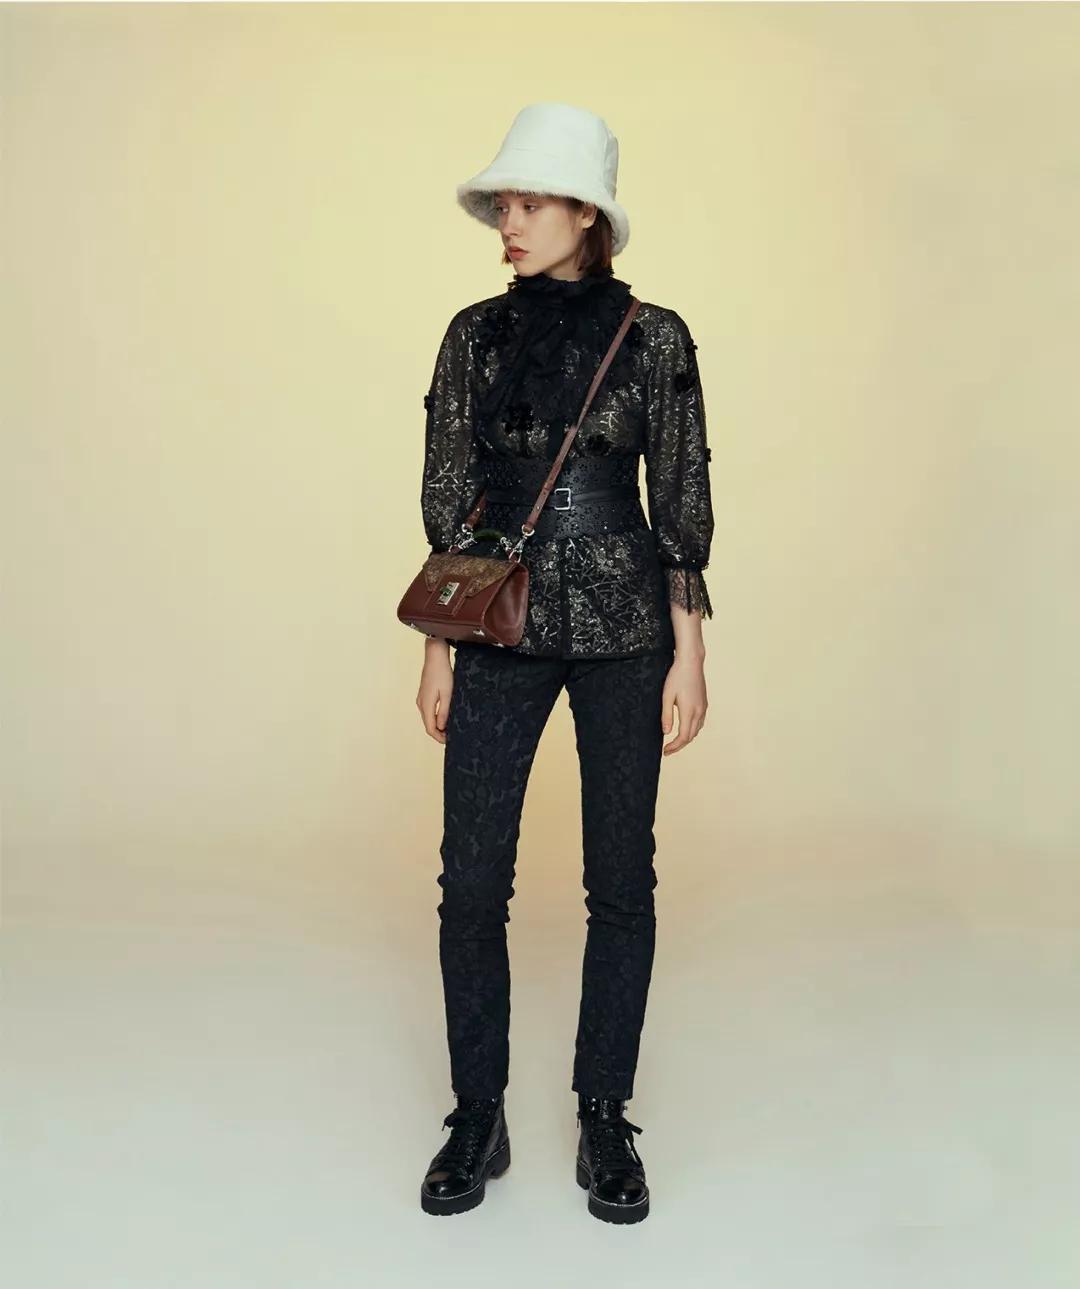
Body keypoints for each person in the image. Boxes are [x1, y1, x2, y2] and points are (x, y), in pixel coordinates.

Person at [414, 102, 715, 1224]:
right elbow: (454, 500)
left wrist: (691, 653)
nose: (509, 220)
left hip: (628, 630)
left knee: (620, 879)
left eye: (530, 202)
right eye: (503, 203)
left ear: (586, 214)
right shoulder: (473, 337)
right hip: (501, 622)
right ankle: (476, 1110)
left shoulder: (655, 337)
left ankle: (604, 1110)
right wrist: (439, 646)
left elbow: (680, 501)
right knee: (471, 880)